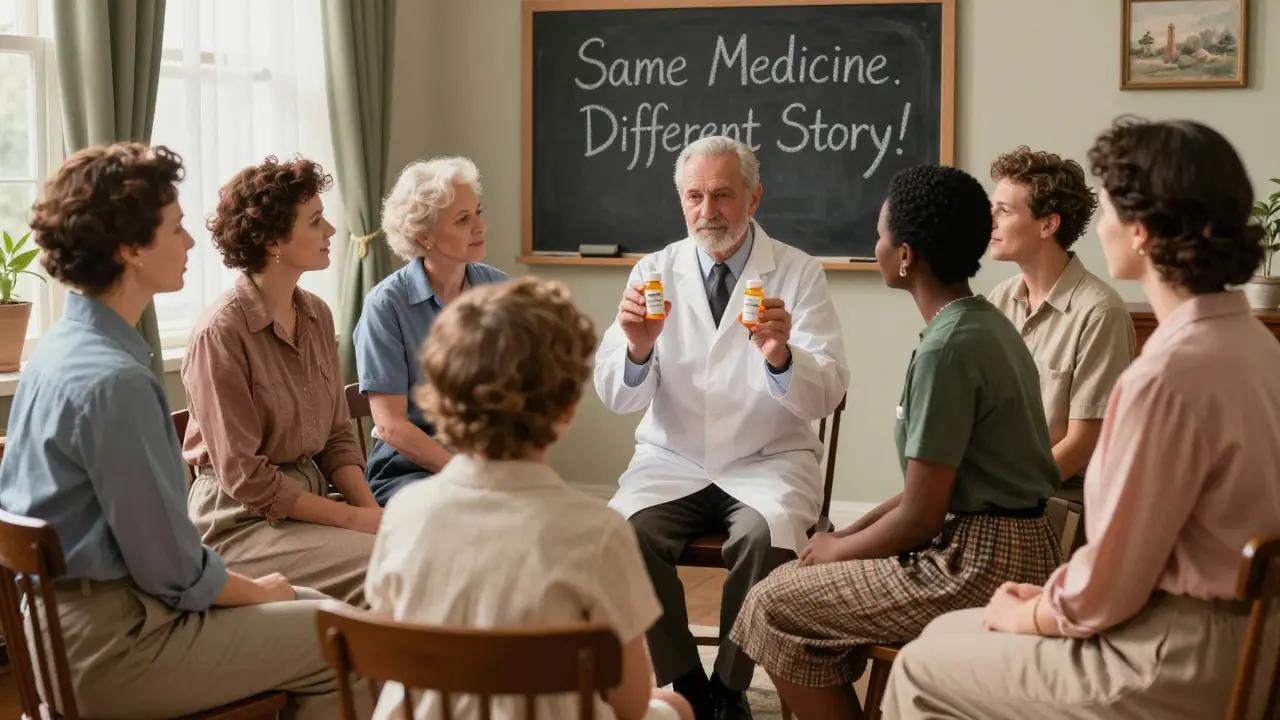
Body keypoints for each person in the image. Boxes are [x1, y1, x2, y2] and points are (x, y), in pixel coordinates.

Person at [882, 119, 1280, 719]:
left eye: (1115, 209)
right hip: (1251, 638)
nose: (1103, 228)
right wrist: (1048, 595)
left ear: (1142, 231)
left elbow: (1106, 589)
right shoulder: (1256, 345)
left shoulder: (1164, 378)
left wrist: (1027, 611)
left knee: (919, 666)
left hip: (1173, 657)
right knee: (943, 638)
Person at [0, 142, 353, 718]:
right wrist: (259, 590)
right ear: (131, 249)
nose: (190, 242)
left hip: (65, 633)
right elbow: (171, 568)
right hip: (115, 646)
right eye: (176, 227)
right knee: (344, 639)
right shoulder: (116, 381)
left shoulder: (58, 351)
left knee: (317, 605)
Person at [730, 165, 1063, 720]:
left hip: (977, 562)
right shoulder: (982, 323)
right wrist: (844, 536)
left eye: (882, 235)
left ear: (905, 255)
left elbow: (921, 517)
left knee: (770, 602)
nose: (875, 245)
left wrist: (838, 549)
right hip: (1008, 542)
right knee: (791, 581)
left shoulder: (947, 349)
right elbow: (926, 491)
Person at [595, 136, 849, 720]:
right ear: (680, 200)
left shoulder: (798, 272)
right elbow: (614, 394)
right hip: (672, 458)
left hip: (768, 458)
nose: (707, 210)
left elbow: (830, 386)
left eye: (723, 194)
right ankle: (687, 684)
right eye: (694, 195)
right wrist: (636, 349)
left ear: (754, 197)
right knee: (621, 534)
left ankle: (730, 689)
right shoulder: (653, 270)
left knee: (766, 536)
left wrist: (782, 356)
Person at [364, 276, 694, 720]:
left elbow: (391, 647)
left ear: (443, 399)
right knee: (672, 705)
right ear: (566, 411)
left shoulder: (403, 513)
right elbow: (630, 701)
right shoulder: (597, 532)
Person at [182, 156, 378, 607]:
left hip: (309, 512)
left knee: (411, 547)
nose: (331, 231)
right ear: (273, 239)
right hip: (241, 527)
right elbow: (247, 479)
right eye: (316, 220)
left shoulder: (316, 314)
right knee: (392, 562)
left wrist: (371, 513)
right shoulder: (221, 333)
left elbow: (336, 438)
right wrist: (355, 523)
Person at [354, 157, 508, 506]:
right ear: (423, 235)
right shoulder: (386, 305)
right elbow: (391, 426)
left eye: (478, 213)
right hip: (407, 468)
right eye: (463, 219)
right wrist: (463, 472)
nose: (480, 227)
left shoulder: (499, 289)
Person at [987, 145, 1136, 487]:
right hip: (997, 485)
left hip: (1059, 495)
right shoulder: (999, 301)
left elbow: (1083, 443)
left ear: (1048, 225)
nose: (990, 221)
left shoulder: (1101, 312)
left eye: (1004, 211)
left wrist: (1005, 495)